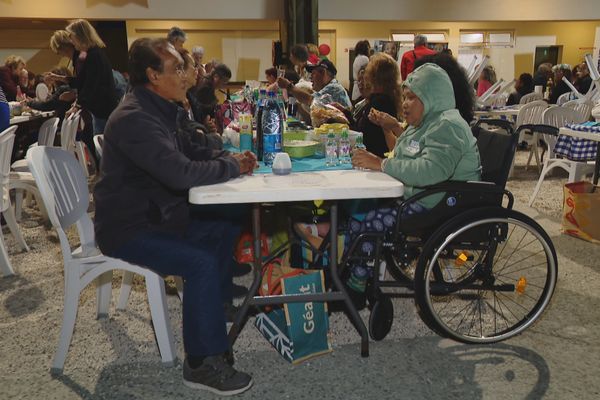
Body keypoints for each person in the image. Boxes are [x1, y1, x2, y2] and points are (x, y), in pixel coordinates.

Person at [93, 37, 256, 396]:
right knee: (198, 262)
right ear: (153, 75)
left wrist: (226, 160)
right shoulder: (136, 117)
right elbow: (179, 173)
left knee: (226, 219)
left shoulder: (157, 108)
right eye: (177, 68)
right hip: (128, 228)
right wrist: (228, 165)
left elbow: (188, 149)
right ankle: (200, 362)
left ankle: (212, 307)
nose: (186, 74)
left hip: (157, 213)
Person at [351, 62, 481, 238]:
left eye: (411, 97)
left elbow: (431, 171)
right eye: (404, 97)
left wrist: (381, 164)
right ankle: (357, 262)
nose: (404, 104)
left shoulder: (448, 125)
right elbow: (404, 153)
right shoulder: (424, 124)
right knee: (356, 210)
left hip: (442, 207)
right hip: (422, 198)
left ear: (432, 97)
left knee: (370, 221)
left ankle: (362, 263)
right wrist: (390, 132)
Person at [63, 19, 118, 135]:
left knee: (101, 146)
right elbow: (85, 82)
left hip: (102, 110)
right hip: (103, 109)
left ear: (80, 36)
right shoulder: (94, 53)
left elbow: (90, 85)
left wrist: (77, 106)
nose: (72, 41)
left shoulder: (93, 56)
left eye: (72, 36)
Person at [355, 53, 400, 158]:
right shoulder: (387, 98)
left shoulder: (379, 102)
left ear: (373, 77)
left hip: (374, 158)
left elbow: (365, 135)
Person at [277, 58, 352, 109]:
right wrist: (297, 104)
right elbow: (311, 116)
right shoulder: (328, 88)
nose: (310, 77)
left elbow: (311, 100)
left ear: (323, 73)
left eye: (313, 74)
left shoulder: (334, 88)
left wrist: (289, 86)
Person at [190, 62, 231, 127]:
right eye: (224, 81)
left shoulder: (206, 82)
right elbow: (207, 113)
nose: (224, 84)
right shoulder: (206, 88)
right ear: (216, 77)